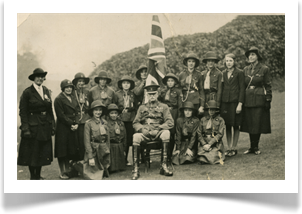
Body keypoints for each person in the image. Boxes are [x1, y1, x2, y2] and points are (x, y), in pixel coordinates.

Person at [18, 68, 55, 180]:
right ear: (33, 78)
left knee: (41, 152)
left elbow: (50, 110)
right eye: (37, 76)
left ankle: (38, 176)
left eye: (42, 76)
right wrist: (25, 128)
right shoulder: (27, 92)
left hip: (44, 125)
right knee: (32, 153)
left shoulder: (46, 90)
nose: (40, 78)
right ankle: (33, 177)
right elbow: (23, 112)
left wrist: (52, 125)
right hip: (33, 126)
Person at [131, 83, 174, 180]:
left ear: (157, 94)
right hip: (145, 133)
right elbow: (135, 123)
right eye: (150, 94)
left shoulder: (164, 107)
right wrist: (142, 129)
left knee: (166, 133)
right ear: (147, 95)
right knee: (136, 136)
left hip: (158, 132)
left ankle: (164, 166)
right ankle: (136, 169)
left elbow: (170, 122)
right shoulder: (142, 107)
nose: (152, 96)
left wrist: (159, 128)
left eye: (154, 94)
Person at [240, 47, 272, 155]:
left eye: (253, 54)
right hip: (248, 99)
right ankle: (251, 147)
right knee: (250, 123)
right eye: (249, 55)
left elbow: (268, 85)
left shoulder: (264, 69)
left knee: (257, 122)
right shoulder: (245, 69)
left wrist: (268, 99)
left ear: (257, 56)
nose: (250, 57)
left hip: (259, 99)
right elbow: (243, 85)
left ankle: (256, 147)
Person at [54, 79, 82, 179]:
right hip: (63, 127)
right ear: (63, 89)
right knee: (63, 150)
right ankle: (63, 172)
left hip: (73, 126)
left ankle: (72, 171)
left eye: (70, 87)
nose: (69, 89)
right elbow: (60, 115)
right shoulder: (58, 99)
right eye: (67, 87)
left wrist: (77, 123)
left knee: (73, 148)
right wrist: (72, 124)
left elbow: (78, 111)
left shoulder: (74, 98)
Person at [220, 53, 245, 157]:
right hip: (225, 103)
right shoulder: (223, 73)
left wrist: (240, 104)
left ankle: (234, 148)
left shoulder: (239, 72)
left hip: (235, 102)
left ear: (234, 61)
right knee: (228, 125)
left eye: (230, 61)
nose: (228, 63)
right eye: (227, 61)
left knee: (235, 125)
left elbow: (242, 89)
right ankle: (229, 147)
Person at [113, 75, 138, 166]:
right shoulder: (117, 94)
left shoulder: (133, 94)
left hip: (131, 119)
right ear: (121, 84)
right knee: (123, 139)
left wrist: (131, 109)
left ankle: (135, 159)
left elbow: (136, 106)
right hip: (121, 119)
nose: (126, 85)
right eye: (124, 83)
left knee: (132, 139)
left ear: (130, 85)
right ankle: (123, 159)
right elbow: (114, 106)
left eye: (128, 83)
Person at [158, 73, 183, 161]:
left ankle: (170, 154)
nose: (170, 83)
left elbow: (180, 105)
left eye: (172, 81)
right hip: (164, 113)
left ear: (175, 82)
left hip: (174, 112)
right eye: (168, 81)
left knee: (172, 133)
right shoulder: (163, 91)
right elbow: (159, 102)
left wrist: (179, 117)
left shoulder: (178, 91)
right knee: (165, 131)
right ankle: (164, 153)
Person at [193, 100, 226, 165]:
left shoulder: (220, 120)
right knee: (201, 154)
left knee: (213, 156)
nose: (211, 111)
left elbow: (220, 134)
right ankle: (204, 157)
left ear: (216, 110)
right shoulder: (203, 119)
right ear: (208, 110)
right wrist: (204, 144)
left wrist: (210, 144)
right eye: (210, 110)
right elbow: (199, 133)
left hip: (215, 142)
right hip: (205, 142)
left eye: (213, 110)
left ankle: (208, 158)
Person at [84, 100, 110, 179]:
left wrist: (108, 151)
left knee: (104, 171)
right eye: (96, 110)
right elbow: (87, 141)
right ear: (92, 111)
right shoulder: (88, 123)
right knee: (93, 176)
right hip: (94, 149)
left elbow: (107, 139)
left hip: (103, 150)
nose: (98, 112)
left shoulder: (105, 122)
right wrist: (90, 156)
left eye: (100, 110)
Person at [72, 72, 91, 161]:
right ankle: (77, 162)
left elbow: (89, 105)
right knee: (76, 143)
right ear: (76, 82)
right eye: (79, 81)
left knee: (85, 141)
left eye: (83, 81)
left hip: (85, 119)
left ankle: (85, 162)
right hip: (76, 120)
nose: (81, 83)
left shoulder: (87, 92)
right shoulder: (72, 92)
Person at [106, 104, 127, 172]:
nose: (114, 115)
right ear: (108, 114)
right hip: (112, 147)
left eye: (115, 113)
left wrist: (124, 149)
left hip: (120, 146)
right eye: (111, 113)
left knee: (121, 169)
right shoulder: (106, 124)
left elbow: (125, 137)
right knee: (112, 169)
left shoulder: (121, 123)